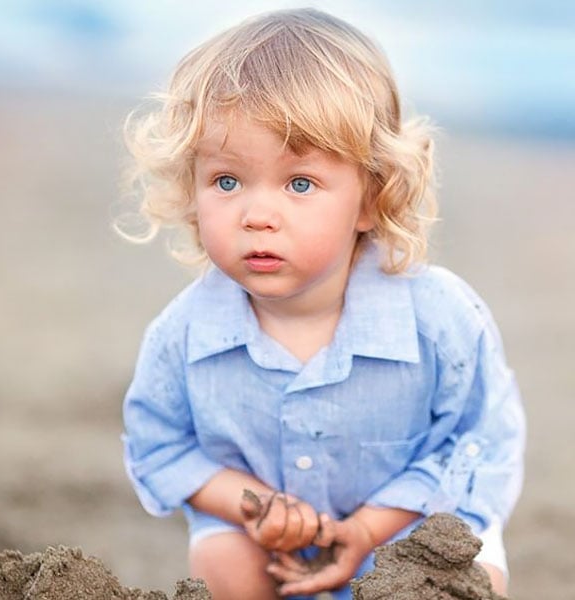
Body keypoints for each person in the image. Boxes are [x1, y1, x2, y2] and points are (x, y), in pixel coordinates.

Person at [120, 8, 525, 600]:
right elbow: (159, 447)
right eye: (227, 181)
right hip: (268, 541)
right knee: (223, 559)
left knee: (470, 576)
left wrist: (367, 530)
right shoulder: (183, 336)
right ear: (192, 189)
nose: (257, 215)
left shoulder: (440, 320)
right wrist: (253, 506)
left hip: (408, 524)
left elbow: (474, 446)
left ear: (370, 198)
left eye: (299, 184)